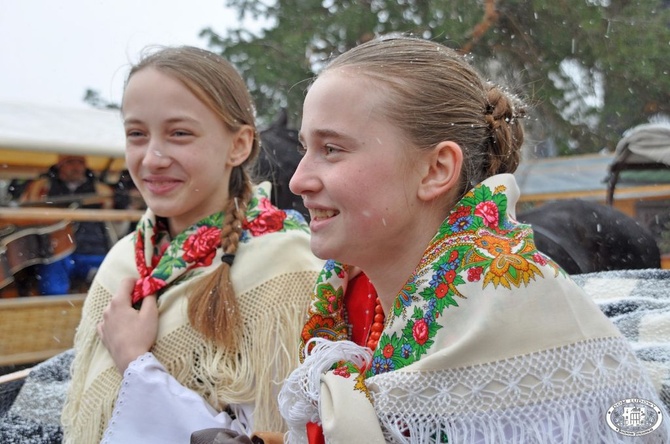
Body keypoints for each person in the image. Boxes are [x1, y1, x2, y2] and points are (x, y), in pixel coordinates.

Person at [275, 36, 670, 443]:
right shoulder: (347, 298)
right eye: (306, 148)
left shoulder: (520, 321)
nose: (298, 180)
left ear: (435, 170)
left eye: (332, 148)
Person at [60, 46, 324, 443]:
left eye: (179, 133)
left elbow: (278, 434)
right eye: (136, 134)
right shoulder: (123, 259)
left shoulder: (284, 266)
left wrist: (136, 363)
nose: (152, 158)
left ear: (238, 145)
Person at [18, 154, 115, 294]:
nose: (76, 167)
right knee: (53, 286)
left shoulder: (100, 189)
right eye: (70, 162)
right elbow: (28, 212)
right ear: (60, 165)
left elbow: (115, 220)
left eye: (80, 162)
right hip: (57, 251)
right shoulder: (43, 187)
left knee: (111, 284)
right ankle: (55, 312)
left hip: (93, 249)